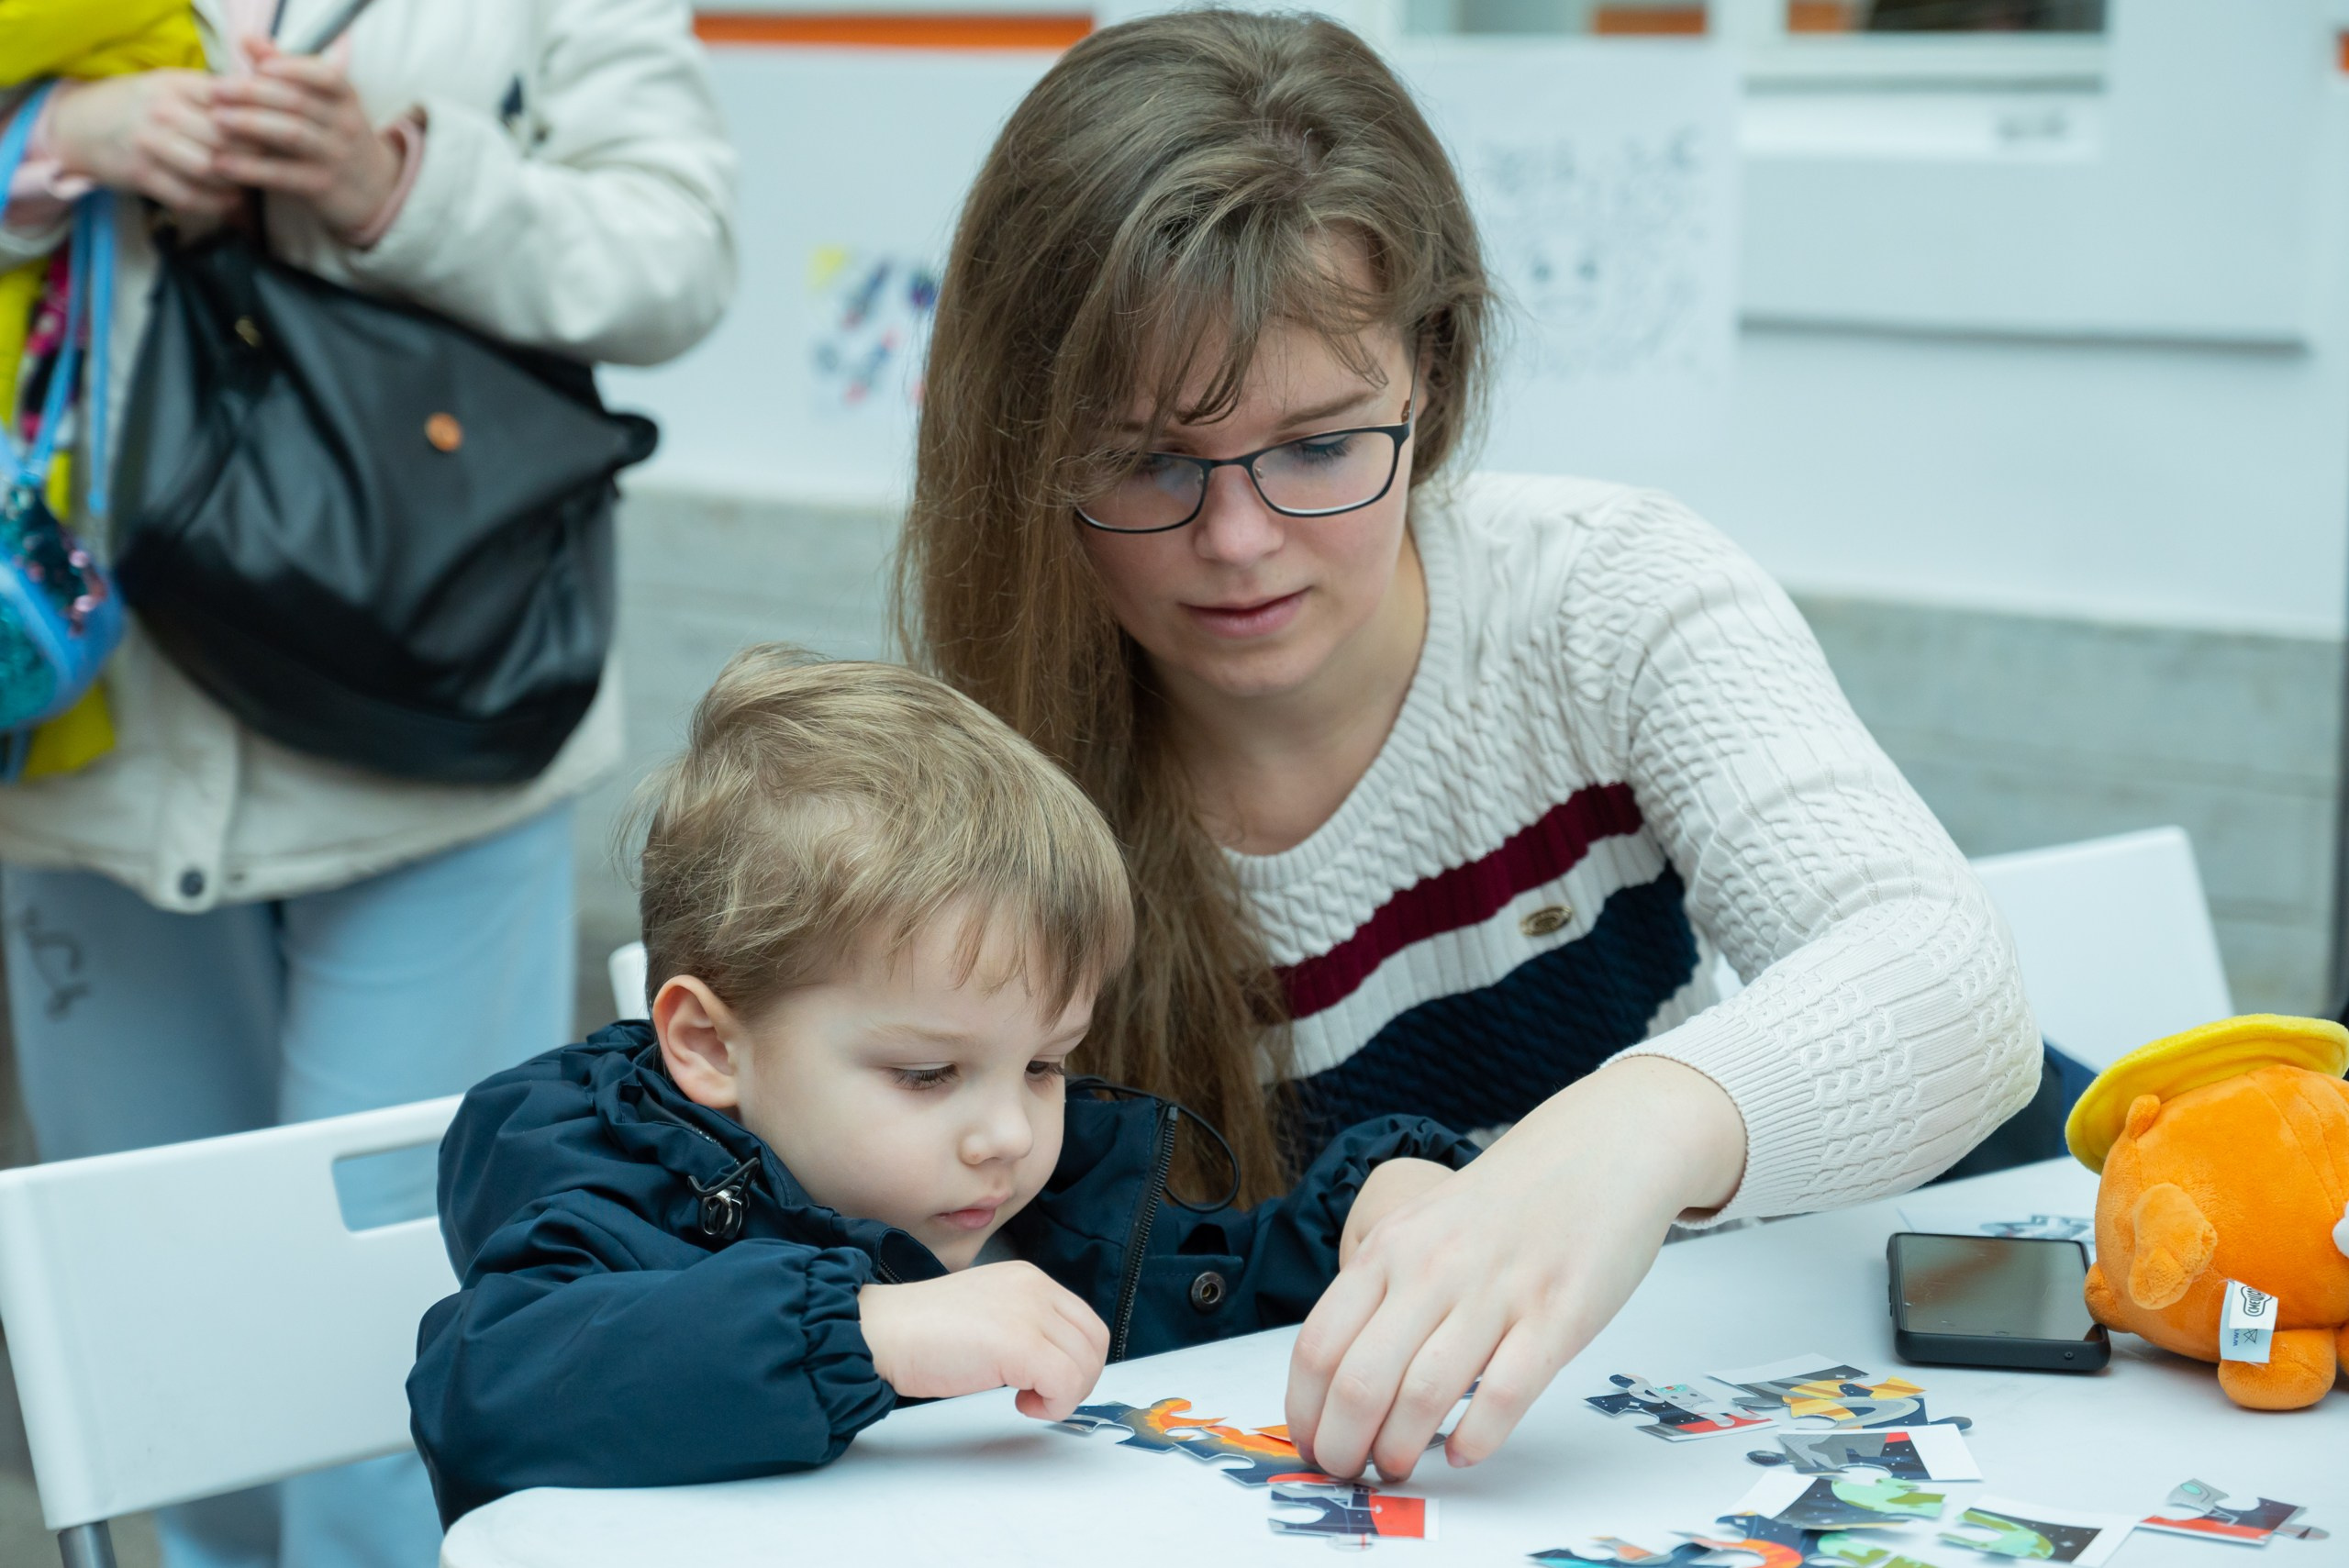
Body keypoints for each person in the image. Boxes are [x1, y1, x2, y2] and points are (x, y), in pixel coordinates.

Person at [896, 7, 2042, 1488]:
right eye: (1149, 460)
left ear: (1428, 372)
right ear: (1025, 447)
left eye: (1318, 445)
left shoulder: (1605, 595)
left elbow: (1950, 979)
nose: (1240, 541)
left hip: (1685, 1417)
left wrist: (1630, 1133)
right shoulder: (958, 802)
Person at [0, 5, 733, 1565]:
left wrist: (396, 182)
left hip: (445, 724)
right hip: (87, 739)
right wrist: (56, 147)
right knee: (180, 1382)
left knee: (391, 1384)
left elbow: (676, 247)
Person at [406, 647, 1479, 1524]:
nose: (1007, 1132)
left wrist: (1372, 1211)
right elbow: (488, 1390)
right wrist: (869, 1333)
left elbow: (1225, 1311)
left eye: (1046, 1063)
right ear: (710, 1046)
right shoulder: (610, 1206)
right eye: (928, 1073)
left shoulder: (1057, 1216)